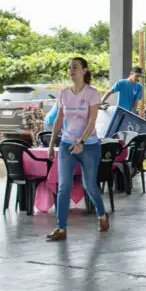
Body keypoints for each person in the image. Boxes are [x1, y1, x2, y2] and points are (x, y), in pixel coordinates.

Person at [46, 57, 108, 241]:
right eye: (69, 67)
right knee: (64, 186)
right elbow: (58, 120)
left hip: (89, 146)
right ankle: (61, 228)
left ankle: (102, 214)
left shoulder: (92, 93)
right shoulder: (63, 94)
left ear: (84, 71)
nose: (71, 70)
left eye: (75, 67)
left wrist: (81, 141)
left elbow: (92, 121)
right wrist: (52, 145)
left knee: (90, 185)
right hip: (66, 144)